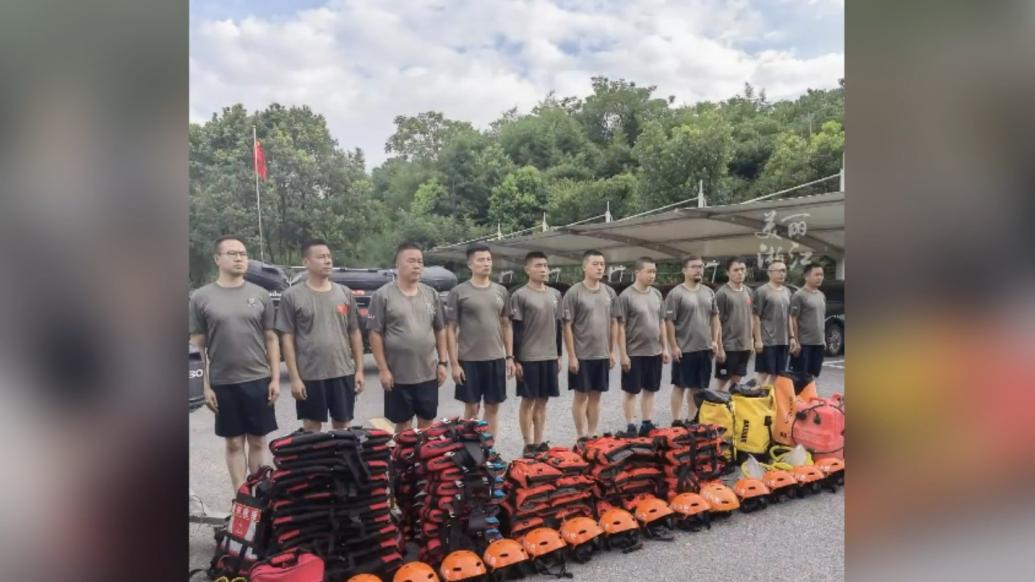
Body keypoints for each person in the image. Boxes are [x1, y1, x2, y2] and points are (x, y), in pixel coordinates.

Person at [189, 236, 280, 492]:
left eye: (243, 253)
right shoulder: (201, 297)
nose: (239, 258)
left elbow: (271, 338)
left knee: (258, 441)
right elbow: (197, 345)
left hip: (258, 379)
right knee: (233, 444)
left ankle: (259, 493)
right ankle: (241, 496)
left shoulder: (260, 295)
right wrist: (204, 386)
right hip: (223, 382)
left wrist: (274, 378)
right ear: (218, 259)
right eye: (232, 253)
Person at [276, 239, 365, 432]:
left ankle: (341, 462)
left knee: (343, 426)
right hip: (310, 375)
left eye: (329, 257)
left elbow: (355, 332)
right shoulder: (292, 296)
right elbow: (287, 339)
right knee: (311, 427)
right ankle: (316, 463)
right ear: (306, 262)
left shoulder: (344, 293)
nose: (327, 261)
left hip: (342, 372)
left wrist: (358, 370)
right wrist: (295, 378)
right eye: (321, 257)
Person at [367, 242, 448, 433]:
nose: (417, 265)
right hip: (398, 376)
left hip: (428, 372)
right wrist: (383, 369)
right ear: (397, 264)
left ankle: (423, 462)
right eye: (411, 261)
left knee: (427, 423)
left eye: (420, 261)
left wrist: (442, 363)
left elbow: (440, 329)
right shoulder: (383, 296)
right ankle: (403, 462)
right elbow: (375, 333)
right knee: (403, 425)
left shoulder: (431, 294)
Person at [445, 244, 513, 437]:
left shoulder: (501, 291)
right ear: (470, 264)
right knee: (472, 408)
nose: (486, 263)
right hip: (469, 360)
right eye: (481, 260)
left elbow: (506, 324)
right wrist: (454, 363)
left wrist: (509, 357)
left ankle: (489, 451)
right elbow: (451, 329)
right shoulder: (458, 292)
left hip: (496, 358)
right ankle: (471, 450)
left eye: (489, 259)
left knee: (492, 408)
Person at [508, 251, 564, 456]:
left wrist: (559, 355)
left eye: (546, 266)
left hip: (549, 356)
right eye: (539, 266)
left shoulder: (555, 295)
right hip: (528, 357)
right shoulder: (519, 295)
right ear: (527, 269)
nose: (544, 270)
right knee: (528, 400)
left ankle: (539, 442)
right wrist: (516, 359)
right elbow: (516, 329)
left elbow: (558, 327)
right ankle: (527, 443)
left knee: (543, 401)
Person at [561, 250, 618, 440]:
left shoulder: (609, 292)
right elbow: (567, 325)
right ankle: (581, 435)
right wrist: (572, 355)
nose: (600, 267)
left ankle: (593, 433)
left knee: (596, 396)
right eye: (595, 264)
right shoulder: (574, 293)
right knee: (581, 396)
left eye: (602, 264)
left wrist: (612, 351)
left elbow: (614, 323)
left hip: (601, 354)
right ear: (584, 267)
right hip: (582, 355)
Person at [615, 257, 669, 437]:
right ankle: (631, 425)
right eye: (649, 271)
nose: (652, 275)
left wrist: (665, 348)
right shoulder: (626, 296)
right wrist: (623, 354)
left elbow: (661, 322)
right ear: (637, 273)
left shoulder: (657, 294)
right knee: (631, 390)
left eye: (654, 271)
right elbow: (620, 327)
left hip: (654, 351)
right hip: (634, 352)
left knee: (650, 389)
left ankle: (647, 422)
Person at [664, 256, 720, 426]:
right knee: (680, 385)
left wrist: (715, 340)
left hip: (705, 348)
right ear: (684, 270)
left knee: (698, 387)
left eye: (701, 267)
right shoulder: (676, 294)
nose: (698, 270)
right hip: (685, 349)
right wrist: (673, 346)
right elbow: (669, 321)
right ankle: (676, 420)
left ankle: (692, 418)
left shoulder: (708, 292)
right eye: (694, 267)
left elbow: (715, 316)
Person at [713, 257, 756, 391]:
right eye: (736, 270)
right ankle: (714, 410)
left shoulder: (748, 291)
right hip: (729, 346)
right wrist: (719, 347)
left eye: (742, 269)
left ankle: (730, 409)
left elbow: (751, 317)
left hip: (745, 345)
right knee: (722, 381)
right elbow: (716, 321)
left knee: (736, 381)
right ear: (728, 272)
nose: (740, 273)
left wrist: (752, 341)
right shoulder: (722, 293)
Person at [752, 260, 792, 386]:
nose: (782, 274)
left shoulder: (787, 291)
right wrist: (758, 340)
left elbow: (789, 316)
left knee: (777, 374)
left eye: (784, 270)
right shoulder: (762, 291)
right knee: (764, 373)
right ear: (769, 273)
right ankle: (756, 400)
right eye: (779, 271)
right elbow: (755, 316)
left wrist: (792, 337)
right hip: (767, 340)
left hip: (783, 340)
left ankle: (768, 400)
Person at [789, 263, 827, 377]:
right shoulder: (799, 295)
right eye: (816, 275)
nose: (820, 277)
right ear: (806, 277)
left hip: (819, 343)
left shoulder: (821, 295)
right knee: (800, 377)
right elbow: (792, 318)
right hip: (804, 344)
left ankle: (810, 395)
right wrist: (795, 341)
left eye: (821, 275)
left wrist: (823, 339)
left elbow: (821, 318)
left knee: (813, 377)